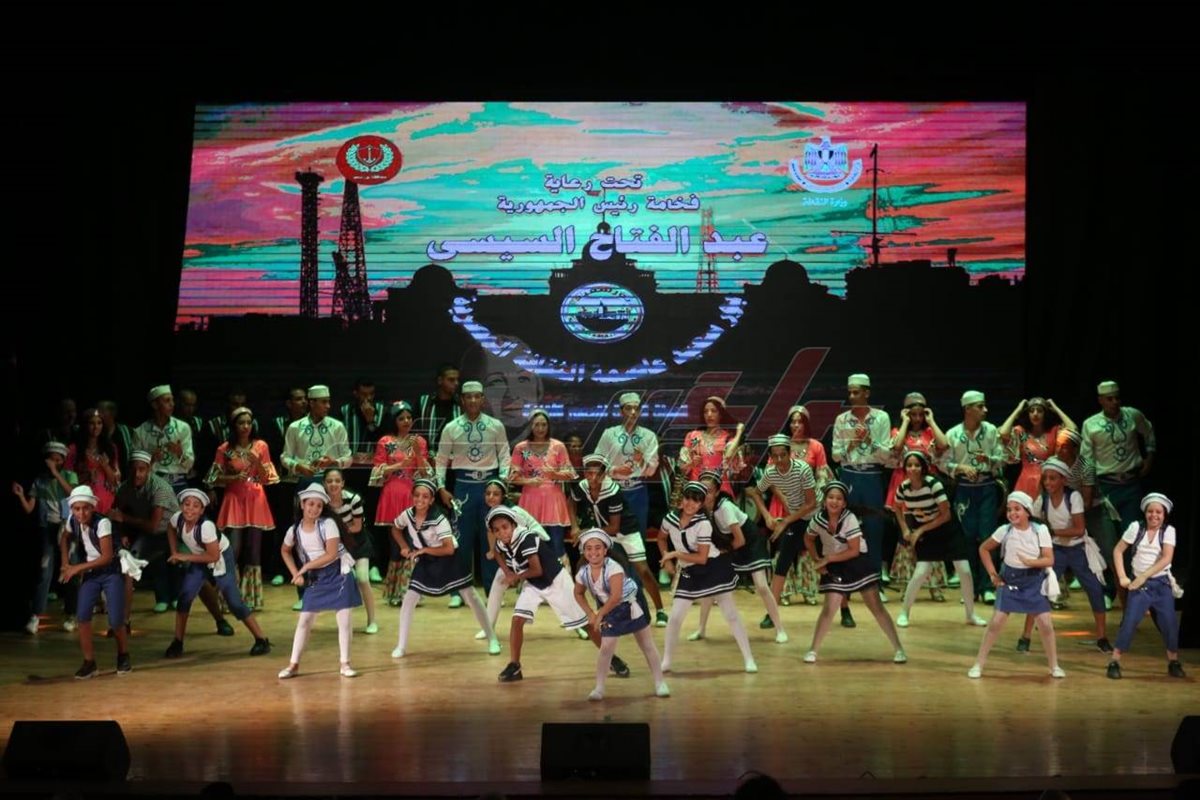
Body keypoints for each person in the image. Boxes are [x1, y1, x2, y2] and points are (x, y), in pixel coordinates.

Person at [488, 506, 625, 683]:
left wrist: (515, 576)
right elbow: (496, 551)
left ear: (514, 525)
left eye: (505, 527)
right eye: (497, 530)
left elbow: (537, 570)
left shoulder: (525, 538)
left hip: (556, 581)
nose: (502, 532)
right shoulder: (502, 542)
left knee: (586, 624)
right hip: (534, 584)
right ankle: (515, 665)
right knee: (517, 620)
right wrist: (507, 572)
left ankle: (612, 658)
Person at [390, 479, 500, 658]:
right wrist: (404, 546)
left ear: (432, 500)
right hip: (426, 560)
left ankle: (492, 638)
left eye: (425, 496)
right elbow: (395, 528)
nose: (420, 499)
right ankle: (401, 646)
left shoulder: (439, 519)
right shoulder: (407, 515)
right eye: (417, 495)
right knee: (409, 598)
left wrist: (424, 550)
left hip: (449, 560)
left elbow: (448, 549)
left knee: (470, 596)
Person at [802, 481, 907, 665]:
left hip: (858, 562)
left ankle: (899, 648)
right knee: (829, 609)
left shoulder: (849, 519)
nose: (834, 501)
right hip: (834, 565)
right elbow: (808, 539)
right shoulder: (818, 520)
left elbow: (854, 551)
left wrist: (827, 559)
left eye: (839, 498)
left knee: (876, 607)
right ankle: (813, 650)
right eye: (830, 497)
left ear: (844, 503)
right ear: (825, 501)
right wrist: (817, 560)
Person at [659, 482, 757, 675]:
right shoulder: (669, 519)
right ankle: (666, 661)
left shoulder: (703, 523)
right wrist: (666, 558)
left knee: (731, 614)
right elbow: (661, 538)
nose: (691, 504)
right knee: (675, 617)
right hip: (689, 570)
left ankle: (749, 658)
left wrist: (675, 555)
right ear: (681, 499)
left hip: (713, 567)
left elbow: (702, 558)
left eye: (696, 501)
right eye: (688, 498)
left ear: (701, 503)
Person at [966, 491, 1064, 680]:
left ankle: (1054, 666)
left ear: (1027, 511)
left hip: (1033, 581)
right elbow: (984, 549)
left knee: (1046, 624)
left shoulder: (1040, 530)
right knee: (995, 623)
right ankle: (978, 664)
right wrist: (993, 575)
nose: (1012, 513)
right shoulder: (1004, 530)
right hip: (1010, 581)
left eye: (1017, 509)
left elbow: (1049, 559)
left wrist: (1030, 562)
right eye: (1009, 509)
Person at [1016, 457, 1110, 653]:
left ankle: (1102, 637)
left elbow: (1079, 529)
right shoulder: (1042, 500)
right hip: (1056, 551)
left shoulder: (1073, 497)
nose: (1048, 482)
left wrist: (1051, 532)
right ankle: (1025, 636)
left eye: (1053, 478)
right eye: (1045, 478)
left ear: (1063, 480)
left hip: (1077, 550)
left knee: (1095, 589)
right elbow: (1033, 523)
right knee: (1040, 590)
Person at [164, 488, 271, 658]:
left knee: (234, 602)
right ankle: (177, 642)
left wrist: (184, 556)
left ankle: (261, 640)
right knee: (185, 597)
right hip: (199, 557)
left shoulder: (206, 527)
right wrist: (174, 551)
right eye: (187, 504)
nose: (190, 509)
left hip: (220, 558)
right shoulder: (178, 519)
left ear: (202, 510)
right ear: (181, 506)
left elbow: (213, 556)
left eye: (195, 506)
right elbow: (170, 528)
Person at [688, 469, 788, 644]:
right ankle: (701, 629)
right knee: (710, 585)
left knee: (761, 586)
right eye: (702, 490)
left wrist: (721, 553)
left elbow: (740, 540)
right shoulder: (700, 508)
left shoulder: (725, 507)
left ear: (717, 492)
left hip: (749, 542)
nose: (705, 494)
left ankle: (780, 629)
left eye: (709, 491)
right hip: (730, 544)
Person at [568, 454, 668, 626]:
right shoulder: (582, 486)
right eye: (589, 473)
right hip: (600, 530)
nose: (593, 478)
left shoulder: (613, 491)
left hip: (625, 531)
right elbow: (571, 502)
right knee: (582, 566)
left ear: (604, 474)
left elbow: (614, 527)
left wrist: (586, 532)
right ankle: (583, 612)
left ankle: (660, 610)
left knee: (642, 570)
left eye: (597, 474)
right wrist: (574, 526)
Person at [435, 380, 511, 601]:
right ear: (462, 400)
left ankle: (493, 591)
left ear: (483, 399)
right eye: (469, 397)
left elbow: (505, 455)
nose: (473, 400)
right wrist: (441, 487)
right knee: (461, 539)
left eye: (477, 396)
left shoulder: (495, 425)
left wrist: (502, 483)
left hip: (489, 486)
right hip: (463, 486)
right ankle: (458, 591)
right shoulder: (451, 427)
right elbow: (441, 459)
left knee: (492, 539)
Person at [277, 485, 362, 679]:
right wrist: (295, 573)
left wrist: (305, 567)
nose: (314, 509)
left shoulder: (328, 524)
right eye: (311, 504)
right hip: (317, 578)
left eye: (319, 505)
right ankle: (293, 665)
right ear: (302, 504)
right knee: (305, 620)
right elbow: (285, 550)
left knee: (344, 620)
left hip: (339, 573)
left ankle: (345, 664)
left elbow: (331, 554)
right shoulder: (294, 530)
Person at [574, 528, 669, 701]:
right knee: (606, 648)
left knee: (646, 644)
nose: (593, 552)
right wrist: (590, 614)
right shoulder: (583, 572)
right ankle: (599, 688)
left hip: (630, 605)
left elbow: (616, 597)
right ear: (584, 551)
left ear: (605, 550)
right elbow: (578, 593)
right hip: (609, 610)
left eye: (597, 548)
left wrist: (599, 615)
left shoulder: (614, 568)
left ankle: (660, 683)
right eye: (589, 548)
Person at [892, 451, 984, 628]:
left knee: (964, 570)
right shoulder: (903, 488)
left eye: (917, 465)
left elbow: (946, 515)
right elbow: (896, 507)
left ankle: (970, 614)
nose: (913, 469)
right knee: (921, 572)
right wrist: (905, 529)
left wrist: (919, 530)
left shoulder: (933, 484)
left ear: (923, 468)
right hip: (927, 532)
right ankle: (904, 612)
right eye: (909, 465)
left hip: (948, 529)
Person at [204, 406, 279, 610]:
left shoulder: (260, 446)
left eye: (248, 423)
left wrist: (258, 463)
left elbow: (268, 479)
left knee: (254, 550)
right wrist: (232, 477)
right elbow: (212, 478)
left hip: (256, 498)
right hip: (234, 499)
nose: (245, 426)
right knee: (233, 549)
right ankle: (227, 596)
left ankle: (251, 599)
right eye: (241, 423)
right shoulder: (225, 449)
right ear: (234, 426)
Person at [1106, 493, 1185, 679]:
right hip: (1139, 587)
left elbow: (1166, 558)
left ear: (1164, 514)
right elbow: (1118, 550)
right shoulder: (1136, 528)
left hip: (1161, 584)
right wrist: (1122, 576)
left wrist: (1143, 576)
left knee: (1169, 623)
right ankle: (1114, 661)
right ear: (1145, 512)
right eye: (1150, 511)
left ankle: (1173, 661)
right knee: (1129, 622)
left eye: (1158, 512)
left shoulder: (1168, 531)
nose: (1154, 515)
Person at [744, 434, 817, 626]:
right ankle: (771, 613)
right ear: (770, 456)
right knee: (783, 561)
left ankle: (844, 609)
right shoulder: (770, 473)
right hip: (795, 517)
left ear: (790, 453)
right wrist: (767, 516)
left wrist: (785, 522)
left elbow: (811, 503)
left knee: (831, 557)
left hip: (816, 517)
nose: (779, 460)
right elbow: (755, 493)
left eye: (783, 455)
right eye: (774, 456)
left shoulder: (802, 469)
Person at [942, 390, 1006, 603]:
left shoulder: (991, 431)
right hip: (964, 489)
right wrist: (961, 467)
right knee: (966, 538)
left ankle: (988, 585)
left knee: (988, 536)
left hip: (987, 487)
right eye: (980, 406)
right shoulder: (953, 434)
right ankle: (970, 587)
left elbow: (1002, 459)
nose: (985, 410)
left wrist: (988, 460)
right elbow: (942, 463)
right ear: (967, 409)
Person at [60, 486, 131, 678]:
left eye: (85, 508)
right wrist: (65, 563)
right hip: (92, 573)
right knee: (82, 616)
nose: (81, 513)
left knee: (115, 620)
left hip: (110, 571)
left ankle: (123, 655)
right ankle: (89, 662)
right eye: (77, 509)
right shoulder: (72, 520)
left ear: (92, 507)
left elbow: (106, 557)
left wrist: (77, 568)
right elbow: (64, 538)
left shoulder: (103, 523)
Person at [11, 442, 77, 634]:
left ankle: (71, 615)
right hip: (48, 529)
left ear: (63, 461)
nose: (54, 463)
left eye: (58, 460)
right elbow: (29, 509)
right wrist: (21, 495)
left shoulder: (69, 476)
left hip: (67, 530)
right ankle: (35, 616)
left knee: (71, 571)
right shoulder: (40, 481)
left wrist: (56, 473)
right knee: (44, 570)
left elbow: (72, 494)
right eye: (51, 459)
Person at [370, 400, 430, 606]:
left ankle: (411, 592)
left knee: (414, 543)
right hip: (392, 495)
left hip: (413, 496)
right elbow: (377, 471)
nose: (406, 421)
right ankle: (394, 592)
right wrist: (399, 464)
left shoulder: (419, 441)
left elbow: (425, 473)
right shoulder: (385, 441)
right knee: (396, 546)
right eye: (401, 418)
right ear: (394, 421)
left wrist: (418, 454)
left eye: (409, 418)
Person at [509, 409, 576, 570]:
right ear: (530, 426)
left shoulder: (558, 446)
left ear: (549, 426)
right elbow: (511, 477)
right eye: (537, 424)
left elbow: (570, 474)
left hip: (554, 501)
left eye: (544, 424)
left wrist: (555, 474)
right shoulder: (521, 448)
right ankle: (532, 578)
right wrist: (528, 481)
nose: (540, 428)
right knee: (531, 543)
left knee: (556, 543)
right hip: (530, 500)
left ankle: (562, 578)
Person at [324, 469, 377, 635]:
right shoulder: (322, 503)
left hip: (357, 542)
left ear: (343, 483)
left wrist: (336, 532)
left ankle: (372, 621)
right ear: (324, 484)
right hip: (338, 546)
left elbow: (357, 526)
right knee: (344, 583)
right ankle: (344, 623)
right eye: (329, 481)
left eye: (337, 481)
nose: (333, 484)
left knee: (363, 578)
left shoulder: (354, 499)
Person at [998, 397, 1077, 496]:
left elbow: (1073, 430)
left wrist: (1056, 408)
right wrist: (1018, 409)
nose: (1035, 414)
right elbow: (1003, 433)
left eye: (1039, 411)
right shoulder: (1022, 433)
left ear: (1045, 414)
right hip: (1026, 482)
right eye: (1031, 411)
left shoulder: (1053, 432)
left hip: (1048, 482)